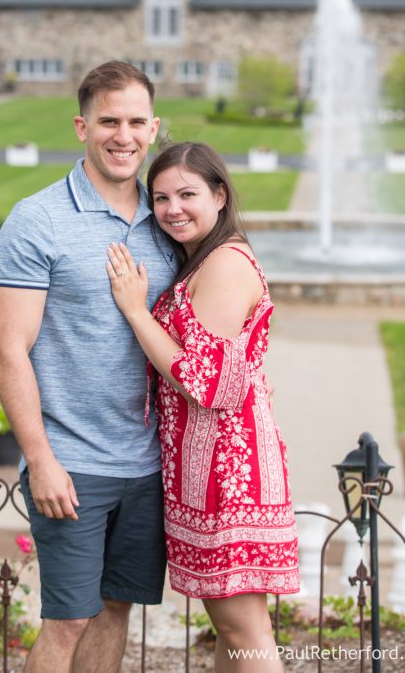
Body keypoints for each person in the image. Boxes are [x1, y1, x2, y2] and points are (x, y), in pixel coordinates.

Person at [0, 61, 177, 673]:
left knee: (116, 608)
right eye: (108, 122)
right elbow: (7, 348)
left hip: (146, 460)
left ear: (155, 129)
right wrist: (40, 460)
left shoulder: (170, 222)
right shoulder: (37, 220)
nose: (123, 136)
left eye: (135, 122)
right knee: (69, 618)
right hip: (72, 463)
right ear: (81, 126)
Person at [106, 142, 299, 672]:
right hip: (207, 469)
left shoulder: (226, 264)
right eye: (162, 197)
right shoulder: (205, 260)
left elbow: (210, 386)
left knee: (245, 628)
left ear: (219, 194)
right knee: (231, 629)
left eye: (188, 194)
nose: (173, 209)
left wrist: (134, 310)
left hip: (228, 473)